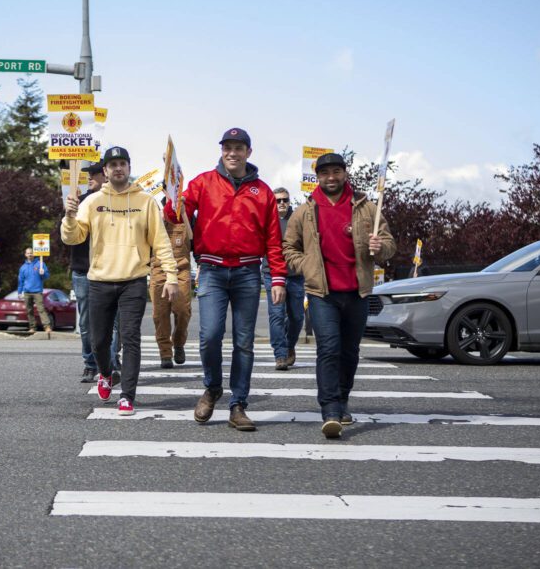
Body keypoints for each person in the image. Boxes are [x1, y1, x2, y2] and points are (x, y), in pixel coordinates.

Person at [165, 128, 286, 432]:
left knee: (244, 343)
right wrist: (171, 197)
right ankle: (212, 388)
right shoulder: (203, 182)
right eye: (227, 147)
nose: (232, 153)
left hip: (247, 273)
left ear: (248, 152)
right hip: (212, 271)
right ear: (221, 150)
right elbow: (177, 216)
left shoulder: (264, 192)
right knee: (210, 336)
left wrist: (278, 278)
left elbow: (273, 239)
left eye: (238, 148)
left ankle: (238, 404)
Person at [283, 152, 396, 439]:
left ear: (345, 173)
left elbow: (390, 246)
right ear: (317, 177)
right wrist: (306, 266)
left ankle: (343, 397)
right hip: (323, 293)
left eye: (336, 171)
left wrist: (378, 247)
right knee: (329, 349)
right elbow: (288, 249)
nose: (330, 177)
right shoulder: (305, 211)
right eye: (324, 173)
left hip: (357, 292)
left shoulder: (367, 208)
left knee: (349, 352)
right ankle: (330, 409)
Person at [61, 146, 179, 417]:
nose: (117, 168)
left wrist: (171, 276)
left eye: (122, 163)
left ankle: (127, 396)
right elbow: (73, 238)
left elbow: (161, 243)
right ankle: (105, 373)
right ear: (105, 171)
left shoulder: (146, 202)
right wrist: (69, 216)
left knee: (130, 338)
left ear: (128, 167)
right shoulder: (91, 201)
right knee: (98, 341)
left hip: (133, 281)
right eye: (112, 164)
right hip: (100, 280)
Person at [70, 163, 121, 383]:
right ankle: (91, 364)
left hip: (111, 269)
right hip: (83, 269)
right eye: (87, 174)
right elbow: (67, 234)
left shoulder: (117, 202)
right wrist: (68, 213)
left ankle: (109, 363)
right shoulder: (80, 201)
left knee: (114, 322)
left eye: (94, 174)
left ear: (105, 175)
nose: (89, 177)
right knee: (85, 323)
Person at [262, 188, 306, 370]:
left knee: (296, 317)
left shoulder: (297, 219)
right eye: (278, 200)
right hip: (271, 273)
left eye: (285, 200)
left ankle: (289, 345)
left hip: (295, 275)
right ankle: (280, 354)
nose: (281, 203)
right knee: (277, 314)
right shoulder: (266, 219)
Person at [151, 200, 193, 368]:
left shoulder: (185, 214)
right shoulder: (154, 214)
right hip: (158, 270)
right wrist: (157, 218)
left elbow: (191, 238)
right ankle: (165, 353)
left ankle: (179, 343)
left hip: (181, 270)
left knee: (183, 310)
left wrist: (183, 214)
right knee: (160, 315)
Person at [17, 246, 52, 336]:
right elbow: (20, 281)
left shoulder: (40, 264)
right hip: (27, 292)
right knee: (29, 311)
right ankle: (32, 327)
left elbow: (47, 276)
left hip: (37, 291)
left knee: (41, 309)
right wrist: (19, 292)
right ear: (25, 255)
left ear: (34, 254)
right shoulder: (23, 267)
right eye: (28, 253)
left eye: (31, 253)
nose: (30, 254)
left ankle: (47, 326)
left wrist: (43, 273)